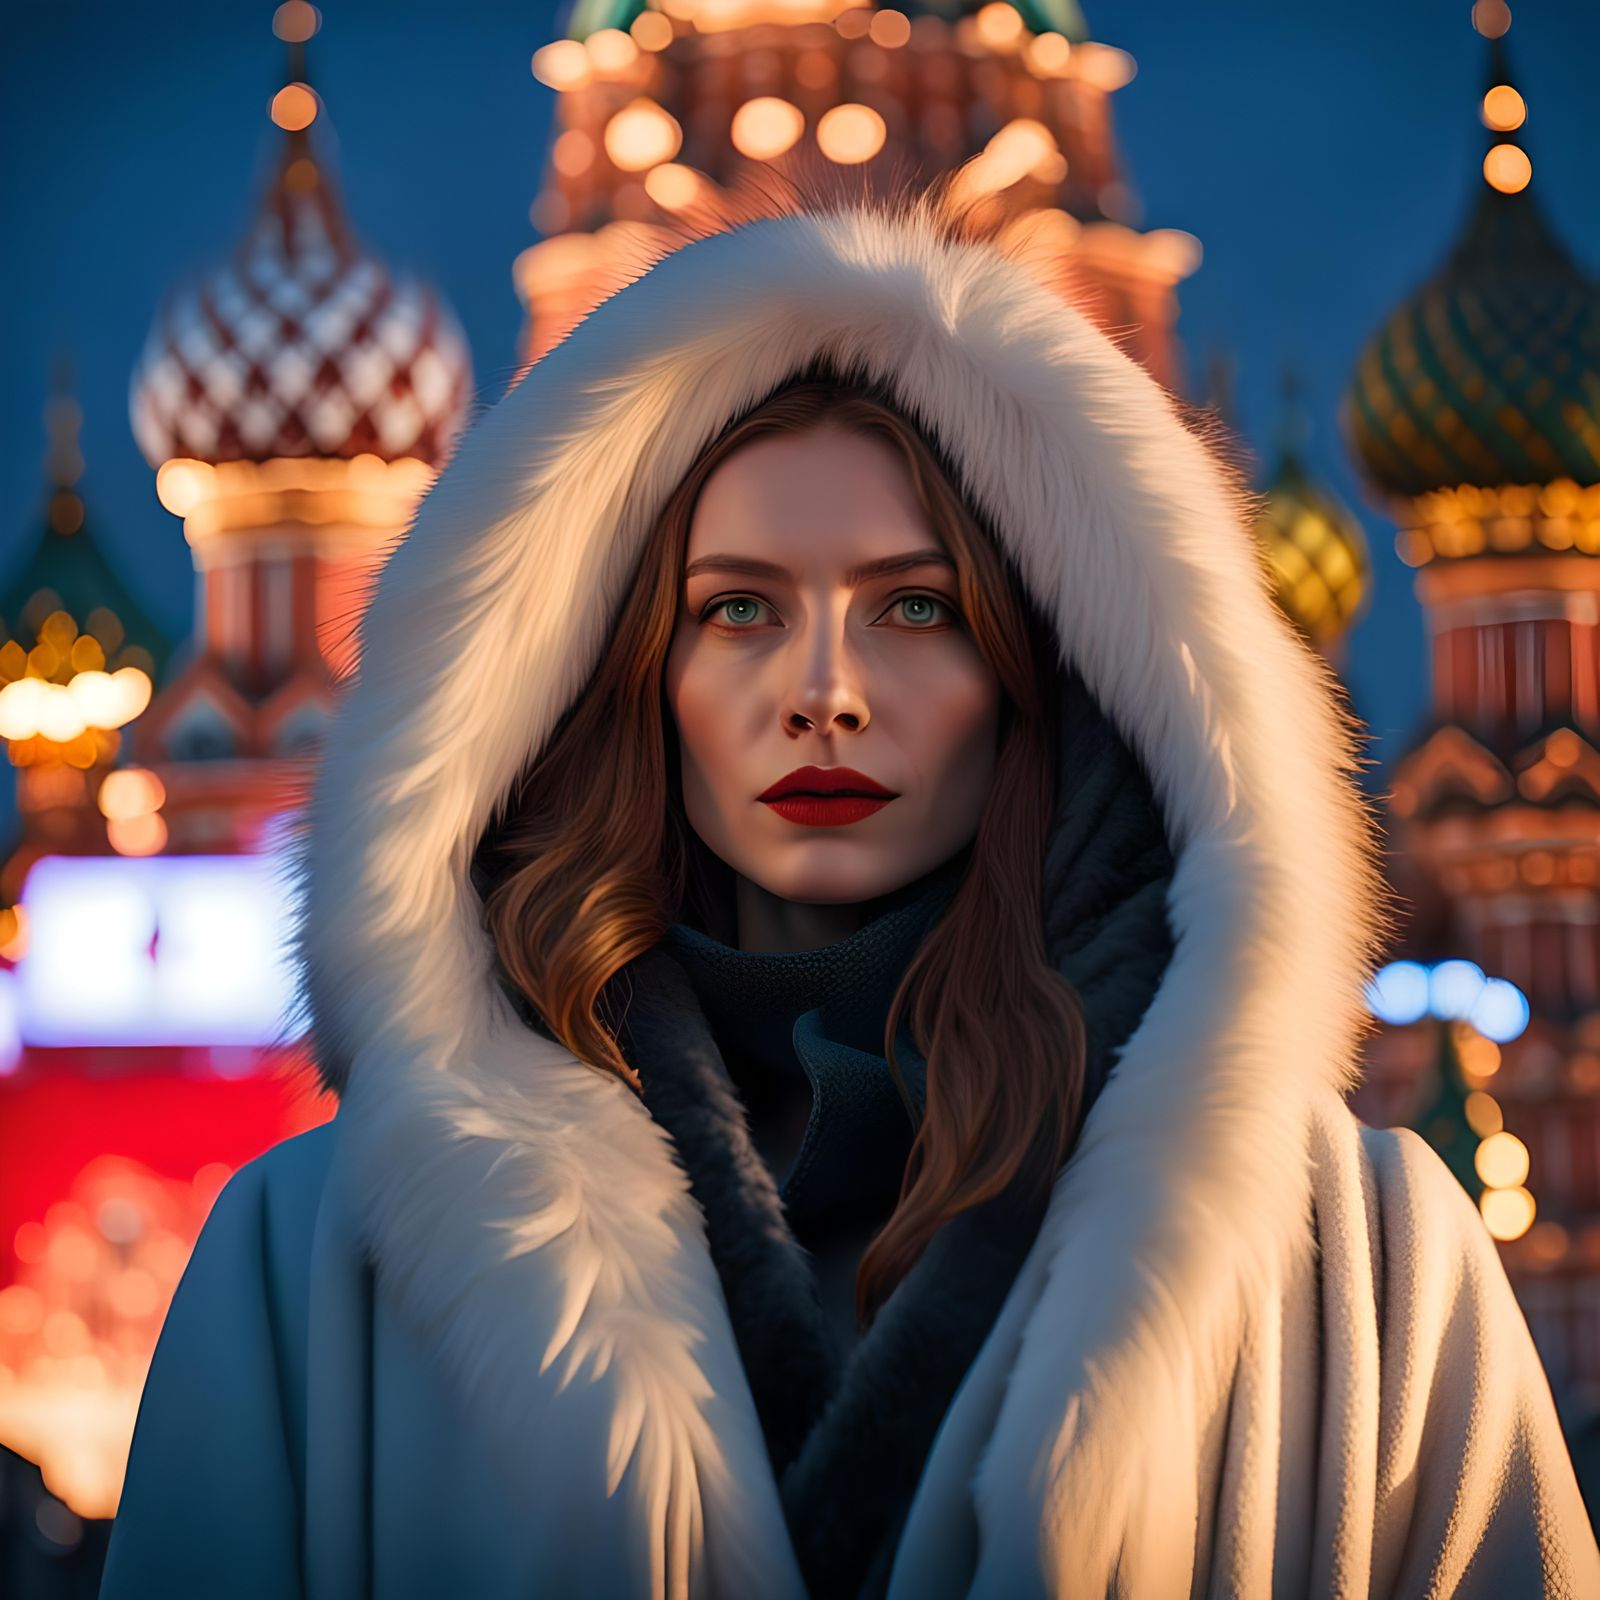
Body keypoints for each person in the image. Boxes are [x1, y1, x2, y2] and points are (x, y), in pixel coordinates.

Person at [99, 191, 1600, 1599]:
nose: (825, 692)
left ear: (1050, 673)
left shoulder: (1363, 1262)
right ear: (616, 674)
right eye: (739, 608)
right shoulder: (316, 1268)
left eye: (917, 607)